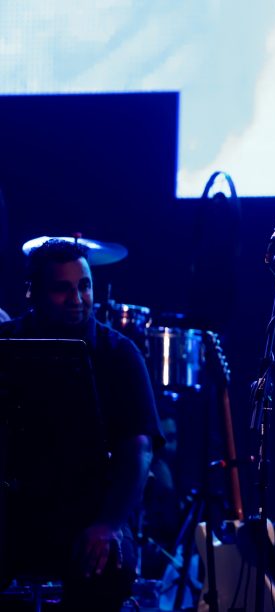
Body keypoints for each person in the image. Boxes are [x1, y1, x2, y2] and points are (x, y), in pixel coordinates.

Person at [0, 238, 163, 610]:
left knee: (107, 568)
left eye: (84, 286)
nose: (78, 298)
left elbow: (139, 451)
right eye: (63, 288)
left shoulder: (119, 353)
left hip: (90, 511)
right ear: (33, 292)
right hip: (14, 507)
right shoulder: (7, 344)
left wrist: (109, 524)